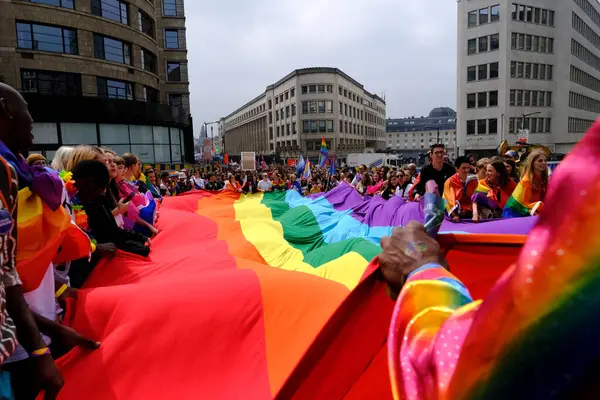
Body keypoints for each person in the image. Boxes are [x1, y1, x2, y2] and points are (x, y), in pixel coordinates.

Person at [0, 82, 99, 399]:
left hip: (25, 328)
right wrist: (41, 347)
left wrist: (47, 334)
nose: (32, 123)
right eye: (26, 111)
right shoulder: (7, 173)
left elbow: (9, 270)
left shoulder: (14, 171)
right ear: (4, 110)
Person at [72, 160, 151, 257]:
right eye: (106, 162)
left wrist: (142, 240)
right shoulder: (63, 198)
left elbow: (113, 232)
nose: (112, 165)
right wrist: (94, 248)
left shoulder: (97, 197)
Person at [503, 149, 548, 218]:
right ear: (532, 163)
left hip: (530, 214)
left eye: (545, 160)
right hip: (514, 214)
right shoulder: (526, 181)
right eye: (540, 161)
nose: (544, 163)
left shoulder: (544, 180)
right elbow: (523, 206)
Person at [443, 156, 479, 221]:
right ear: (457, 169)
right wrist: (454, 215)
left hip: (470, 211)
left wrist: (474, 214)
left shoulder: (473, 180)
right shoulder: (449, 182)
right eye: (463, 168)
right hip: (454, 212)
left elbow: (474, 198)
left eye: (468, 168)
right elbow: (449, 200)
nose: (466, 170)